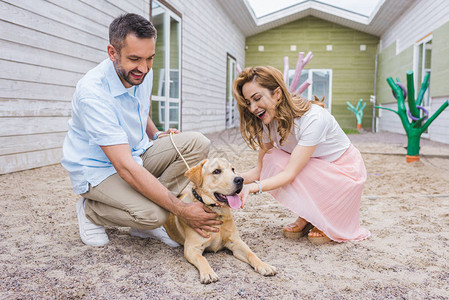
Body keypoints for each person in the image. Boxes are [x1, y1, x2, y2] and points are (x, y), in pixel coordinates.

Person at [61, 13, 220, 247]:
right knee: (156, 215)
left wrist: (155, 135)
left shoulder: (141, 72)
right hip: (98, 170)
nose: (144, 69)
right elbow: (124, 167)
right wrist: (180, 209)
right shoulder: (93, 94)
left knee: (198, 143)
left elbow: (139, 109)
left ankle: (145, 211)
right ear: (112, 52)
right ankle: (91, 211)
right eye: (135, 59)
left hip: (136, 153)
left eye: (149, 59)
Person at [233, 66, 371, 244]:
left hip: (344, 176)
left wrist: (251, 189)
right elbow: (260, 169)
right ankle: (308, 216)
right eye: (248, 103)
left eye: (257, 98)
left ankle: (323, 216)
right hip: (317, 171)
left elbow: (289, 173)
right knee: (272, 158)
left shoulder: (313, 118)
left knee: (286, 164)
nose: (252, 108)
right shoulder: (268, 122)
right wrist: (230, 181)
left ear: (277, 93)